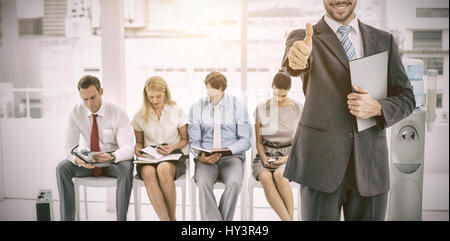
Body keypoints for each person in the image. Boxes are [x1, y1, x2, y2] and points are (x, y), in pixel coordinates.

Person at [282, 0, 415, 221]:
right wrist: (297, 58)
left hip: (371, 164)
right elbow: (294, 62)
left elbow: (407, 97)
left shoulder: (384, 41)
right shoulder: (303, 37)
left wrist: (378, 107)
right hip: (320, 165)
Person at [56, 75, 134, 221]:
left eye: (93, 97)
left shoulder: (117, 112)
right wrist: (78, 160)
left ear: (101, 92)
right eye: (84, 99)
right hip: (88, 163)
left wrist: (112, 156)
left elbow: (129, 148)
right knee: (62, 168)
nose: (89, 104)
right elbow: (69, 147)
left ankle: (121, 219)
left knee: (126, 166)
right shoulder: (76, 113)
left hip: (113, 162)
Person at [188, 72, 252, 221]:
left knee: (235, 183)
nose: (211, 98)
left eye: (215, 94)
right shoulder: (197, 108)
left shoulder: (238, 106)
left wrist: (229, 150)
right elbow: (194, 141)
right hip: (206, 160)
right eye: (209, 93)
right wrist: (200, 156)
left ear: (223, 89)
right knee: (203, 183)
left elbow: (245, 140)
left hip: (231, 157)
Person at [132, 76, 188, 221]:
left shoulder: (176, 110)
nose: (155, 100)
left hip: (172, 154)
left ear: (165, 93)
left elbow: (185, 139)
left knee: (163, 169)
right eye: (151, 97)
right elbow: (139, 142)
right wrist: (137, 148)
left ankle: (172, 218)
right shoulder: (140, 114)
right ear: (146, 95)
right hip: (149, 155)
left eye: (159, 96)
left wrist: (172, 147)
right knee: (149, 173)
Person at [252, 70, 303, 221]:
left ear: (289, 90)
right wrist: (264, 157)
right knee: (266, 177)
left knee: (280, 175)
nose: (279, 98)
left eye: (283, 95)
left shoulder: (298, 108)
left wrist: (286, 158)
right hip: (266, 154)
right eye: (276, 93)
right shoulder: (261, 108)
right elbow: (259, 142)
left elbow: (301, 142)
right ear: (272, 86)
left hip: (290, 154)